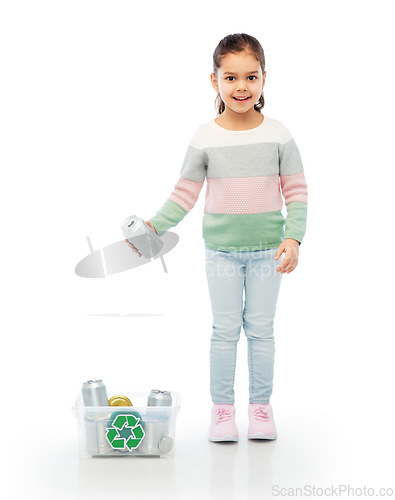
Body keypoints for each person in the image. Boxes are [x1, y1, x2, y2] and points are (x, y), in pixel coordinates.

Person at [126, 33, 308, 442]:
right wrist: (155, 225)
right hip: (221, 253)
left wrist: (294, 237)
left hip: (268, 253)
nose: (241, 87)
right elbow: (185, 193)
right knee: (224, 330)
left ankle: (260, 408)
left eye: (250, 76)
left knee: (261, 330)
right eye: (230, 77)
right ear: (215, 82)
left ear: (264, 79)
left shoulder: (279, 134)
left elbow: (296, 191)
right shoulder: (204, 137)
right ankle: (222, 411)